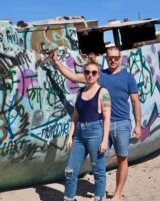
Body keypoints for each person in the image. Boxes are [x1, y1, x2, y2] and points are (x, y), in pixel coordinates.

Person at [52, 46, 141, 201]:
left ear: (120, 58)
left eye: (116, 57)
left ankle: (117, 194)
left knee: (122, 158)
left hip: (120, 123)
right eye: (110, 57)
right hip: (100, 125)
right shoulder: (99, 75)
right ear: (106, 58)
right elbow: (73, 76)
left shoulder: (128, 77)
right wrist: (56, 62)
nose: (113, 60)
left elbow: (135, 101)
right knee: (99, 163)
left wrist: (138, 124)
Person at [63, 57, 111, 201]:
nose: (90, 75)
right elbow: (75, 116)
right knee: (70, 170)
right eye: (87, 72)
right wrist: (70, 136)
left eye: (94, 72)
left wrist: (104, 141)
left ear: (98, 75)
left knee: (98, 170)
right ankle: (69, 198)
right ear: (84, 73)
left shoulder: (104, 93)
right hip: (78, 135)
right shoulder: (79, 92)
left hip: (95, 132)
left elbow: (107, 117)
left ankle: (98, 198)